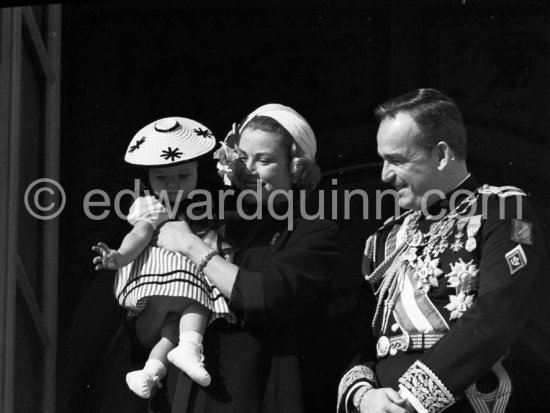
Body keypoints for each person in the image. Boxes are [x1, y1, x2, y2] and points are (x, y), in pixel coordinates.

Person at [337, 89, 545, 413]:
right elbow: (360, 340)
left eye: (397, 160)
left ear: (441, 155)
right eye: (383, 160)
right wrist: (364, 396)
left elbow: (496, 316)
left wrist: (412, 399)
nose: (384, 175)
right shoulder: (386, 240)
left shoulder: (503, 211)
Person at [148, 103, 341, 413]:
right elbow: (148, 322)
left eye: (264, 160)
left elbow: (264, 296)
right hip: (185, 398)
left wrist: (192, 248)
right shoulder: (211, 219)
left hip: (254, 396)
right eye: (242, 158)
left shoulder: (315, 232)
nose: (248, 169)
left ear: (296, 168)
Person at [92, 117, 234, 399]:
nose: (172, 185)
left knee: (171, 330)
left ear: (197, 171)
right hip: (170, 278)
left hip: (173, 291)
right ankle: (191, 349)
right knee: (200, 303)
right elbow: (140, 233)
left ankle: (151, 371)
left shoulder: (205, 208)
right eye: (161, 178)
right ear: (148, 178)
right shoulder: (153, 206)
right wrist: (120, 256)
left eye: (183, 176)